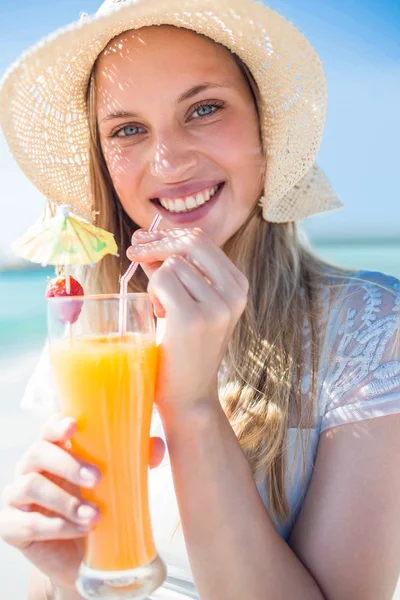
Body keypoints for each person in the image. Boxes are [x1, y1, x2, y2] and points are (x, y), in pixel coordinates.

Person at [0, 0, 399, 598]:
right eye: (128, 129)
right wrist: (65, 575)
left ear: (266, 132)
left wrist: (190, 408)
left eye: (205, 108)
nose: (171, 161)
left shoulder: (369, 328)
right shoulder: (94, 331)